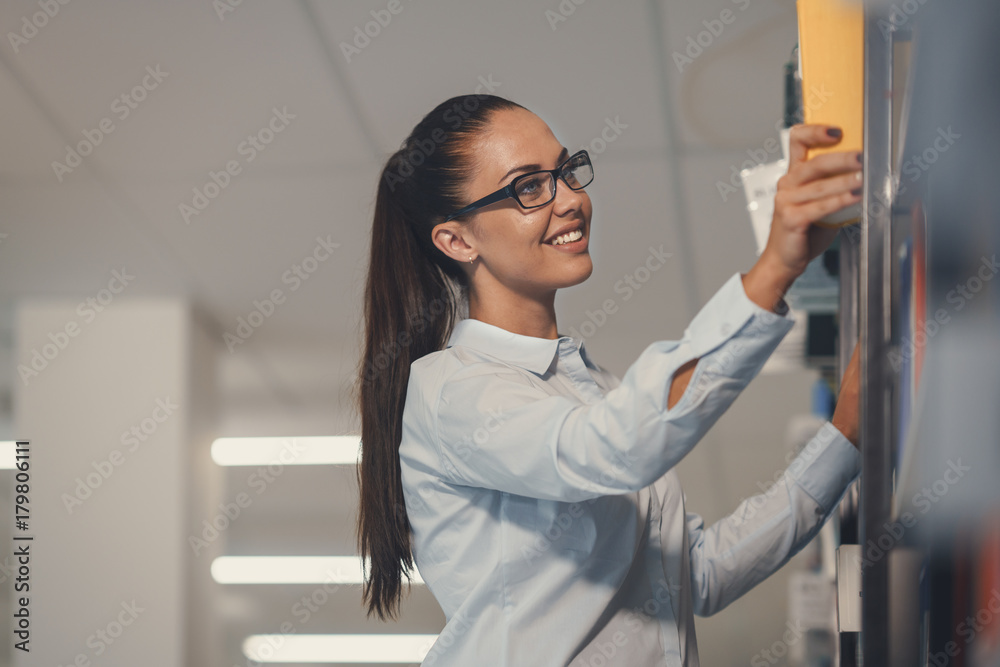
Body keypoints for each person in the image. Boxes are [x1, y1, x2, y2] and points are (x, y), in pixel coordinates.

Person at [354, 93, 863, 666]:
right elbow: (616, 445)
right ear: (457, 240)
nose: (571, 200)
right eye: (528, 187)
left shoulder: (603, 392)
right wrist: (775, 267)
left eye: (566, 172)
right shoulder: (452, 391)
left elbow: (700, 574)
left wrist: (845, 434)